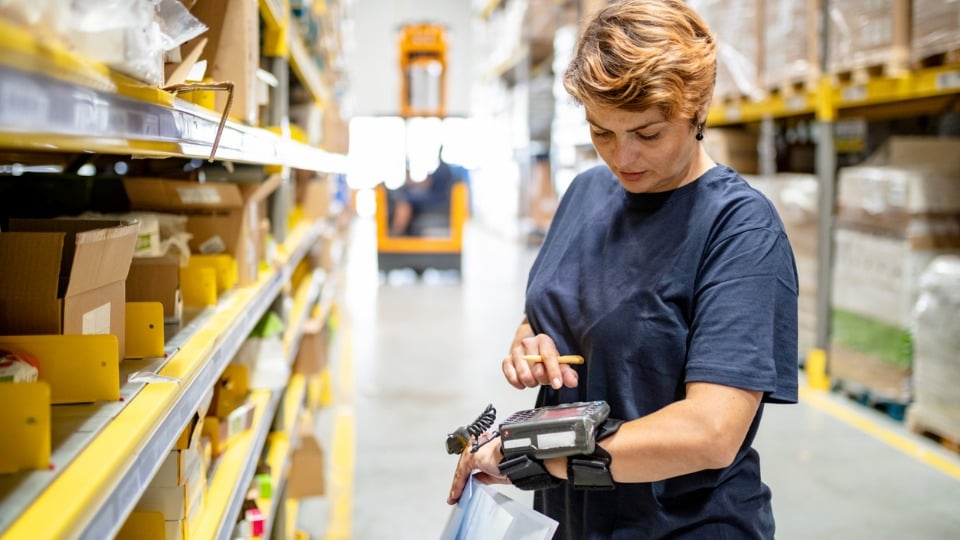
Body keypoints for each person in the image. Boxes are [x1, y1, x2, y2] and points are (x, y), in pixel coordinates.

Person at [446, 1, 799, 538]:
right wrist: (530, 342)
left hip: (683, 525)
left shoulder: (739, 228)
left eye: (649, 134)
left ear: (697, 107)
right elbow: (552, 310)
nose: (623, 157)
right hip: (572, 519)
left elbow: (709, 431)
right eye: (601, 132)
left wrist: (531, 454)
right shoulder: (587, 192)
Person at [389, 147, 461, 236]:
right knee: (409, 196)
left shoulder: (443, 168)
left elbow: (427, 183)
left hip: (437, 199)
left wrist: (410, 183)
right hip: (437, 197)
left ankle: (397, 231)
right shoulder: (445, 168)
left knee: (405, 200)